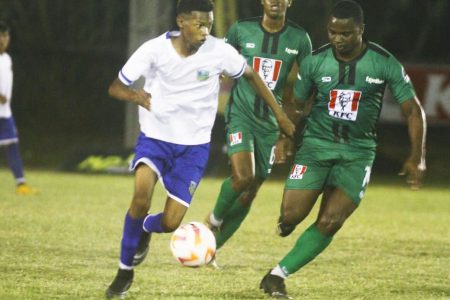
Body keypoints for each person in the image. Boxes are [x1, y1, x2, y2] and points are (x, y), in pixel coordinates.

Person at [104, 0, 295, 298]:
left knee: (170, 223)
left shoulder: (219, 51)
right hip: (155, 138)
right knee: (140, 197)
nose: (206, 31)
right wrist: (136, 96)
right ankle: (123, 273)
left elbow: (252, 76)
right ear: (182, 22)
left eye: (209, 25)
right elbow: (115, 87)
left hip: (193, 148)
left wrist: (281, 115)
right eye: (199, 25)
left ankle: (144, 229)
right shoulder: (153, 50)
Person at [259, 1, 427, 298]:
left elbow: (413, 111)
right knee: (291, 215)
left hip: (358, 153)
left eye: (346, 33)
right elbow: (296, 104)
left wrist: (417, 156)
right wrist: (284, 136)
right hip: (315, 148)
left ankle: (276, 276)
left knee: (331, 220)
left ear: (361, 30)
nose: (338, 39)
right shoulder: (315, 61)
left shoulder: (384, 62)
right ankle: (287, 221)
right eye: (333, 32)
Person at [204, 0, 312, 266]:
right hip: (240, 114)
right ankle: (212, 221)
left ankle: (210, 250)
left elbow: (307, 84)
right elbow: (219, 65)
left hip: (270, 125)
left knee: (250, 190)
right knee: (243, 176)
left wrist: (287, 133)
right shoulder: (241, 30)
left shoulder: (300, 39)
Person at [0, 21, 38, 196]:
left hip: (5, 113)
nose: (3, 39)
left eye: (5, 35)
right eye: (0, 35)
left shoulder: (7, 59)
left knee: (13, 144)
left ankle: (21, 184)